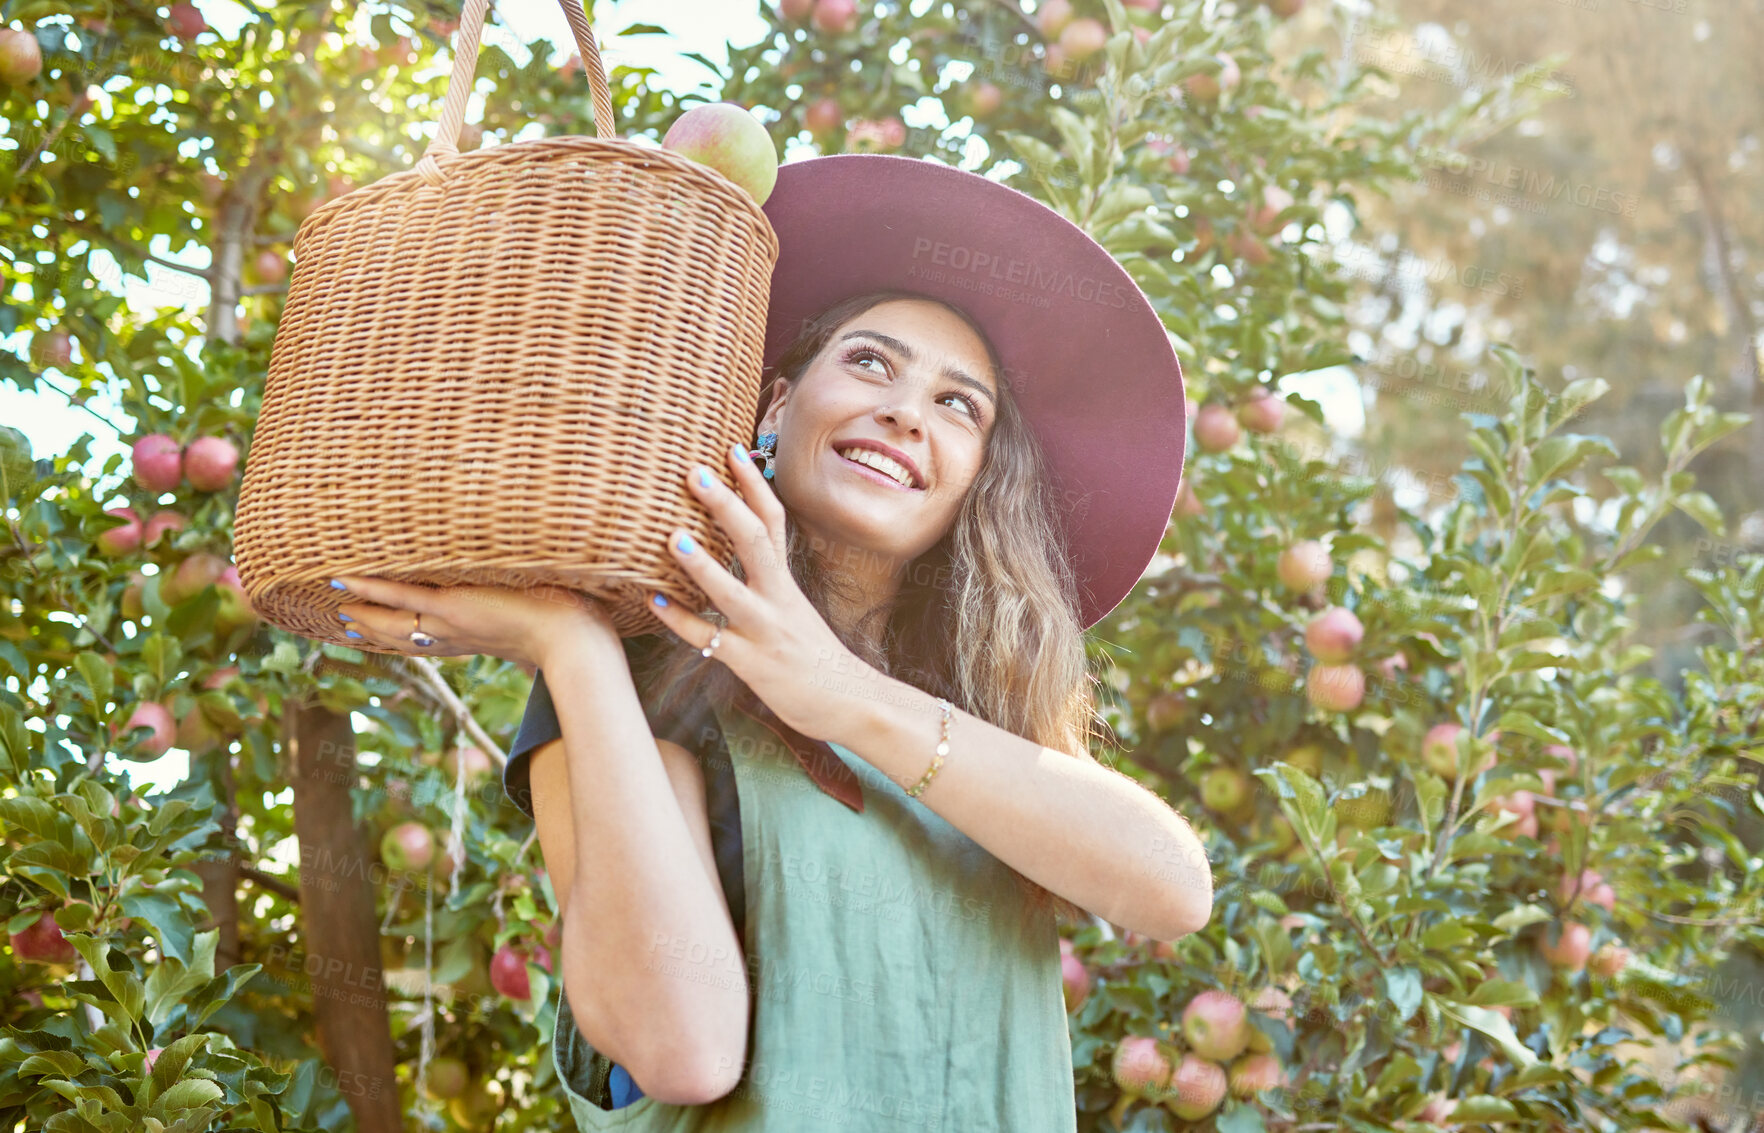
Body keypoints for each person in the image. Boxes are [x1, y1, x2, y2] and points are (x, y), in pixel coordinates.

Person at [324, 152, 1212, 1130]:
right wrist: (569, 642)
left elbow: (1171, 889)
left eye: (960, 404)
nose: (905, 411)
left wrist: (841, 695)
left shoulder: (970, 702)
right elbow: (680, 1047)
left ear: (977, 477)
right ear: (779, 404)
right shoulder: (650, 662)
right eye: (870, 361)